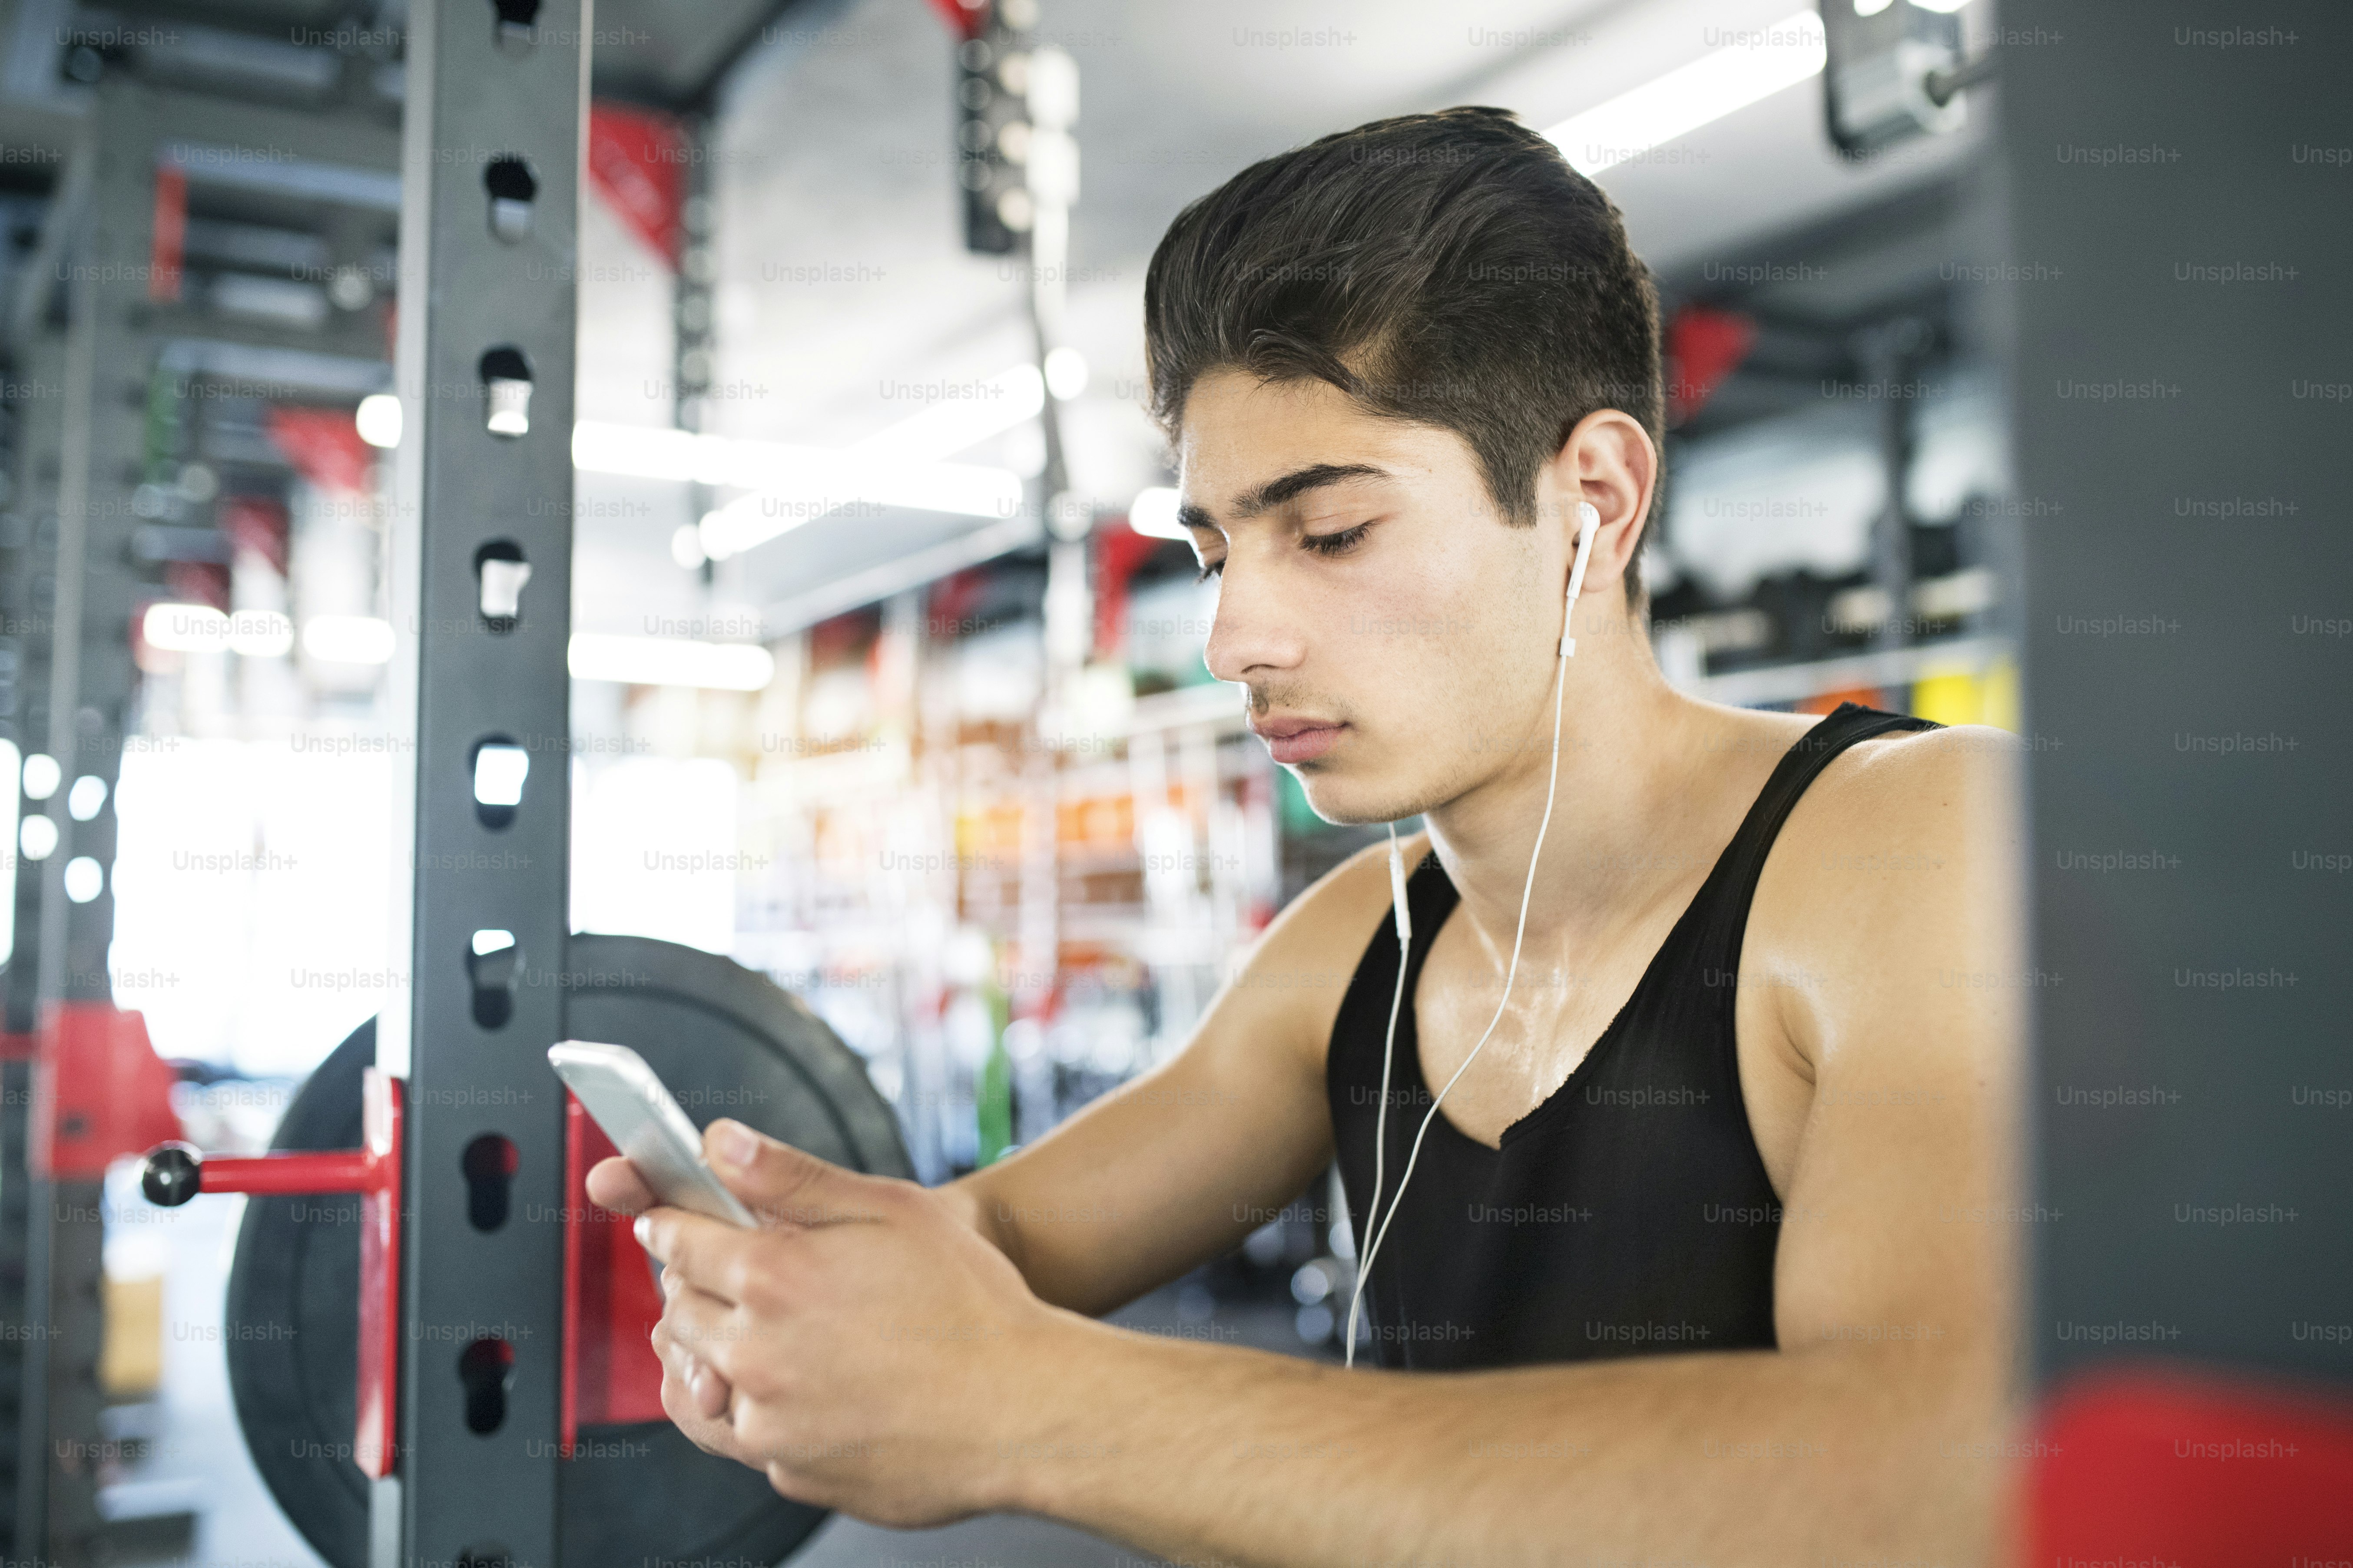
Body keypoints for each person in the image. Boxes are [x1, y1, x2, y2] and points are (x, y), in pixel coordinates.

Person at [588, 106, 2025, 1565]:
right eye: (1215, 553)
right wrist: (793, 1273)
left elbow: (1938, 1475)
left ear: (1593, 500)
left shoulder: (1914, 844)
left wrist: (1027, 1402)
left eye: (1329, 532)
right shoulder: (1359, 946)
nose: (1232, 636)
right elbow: (1000, 1245)